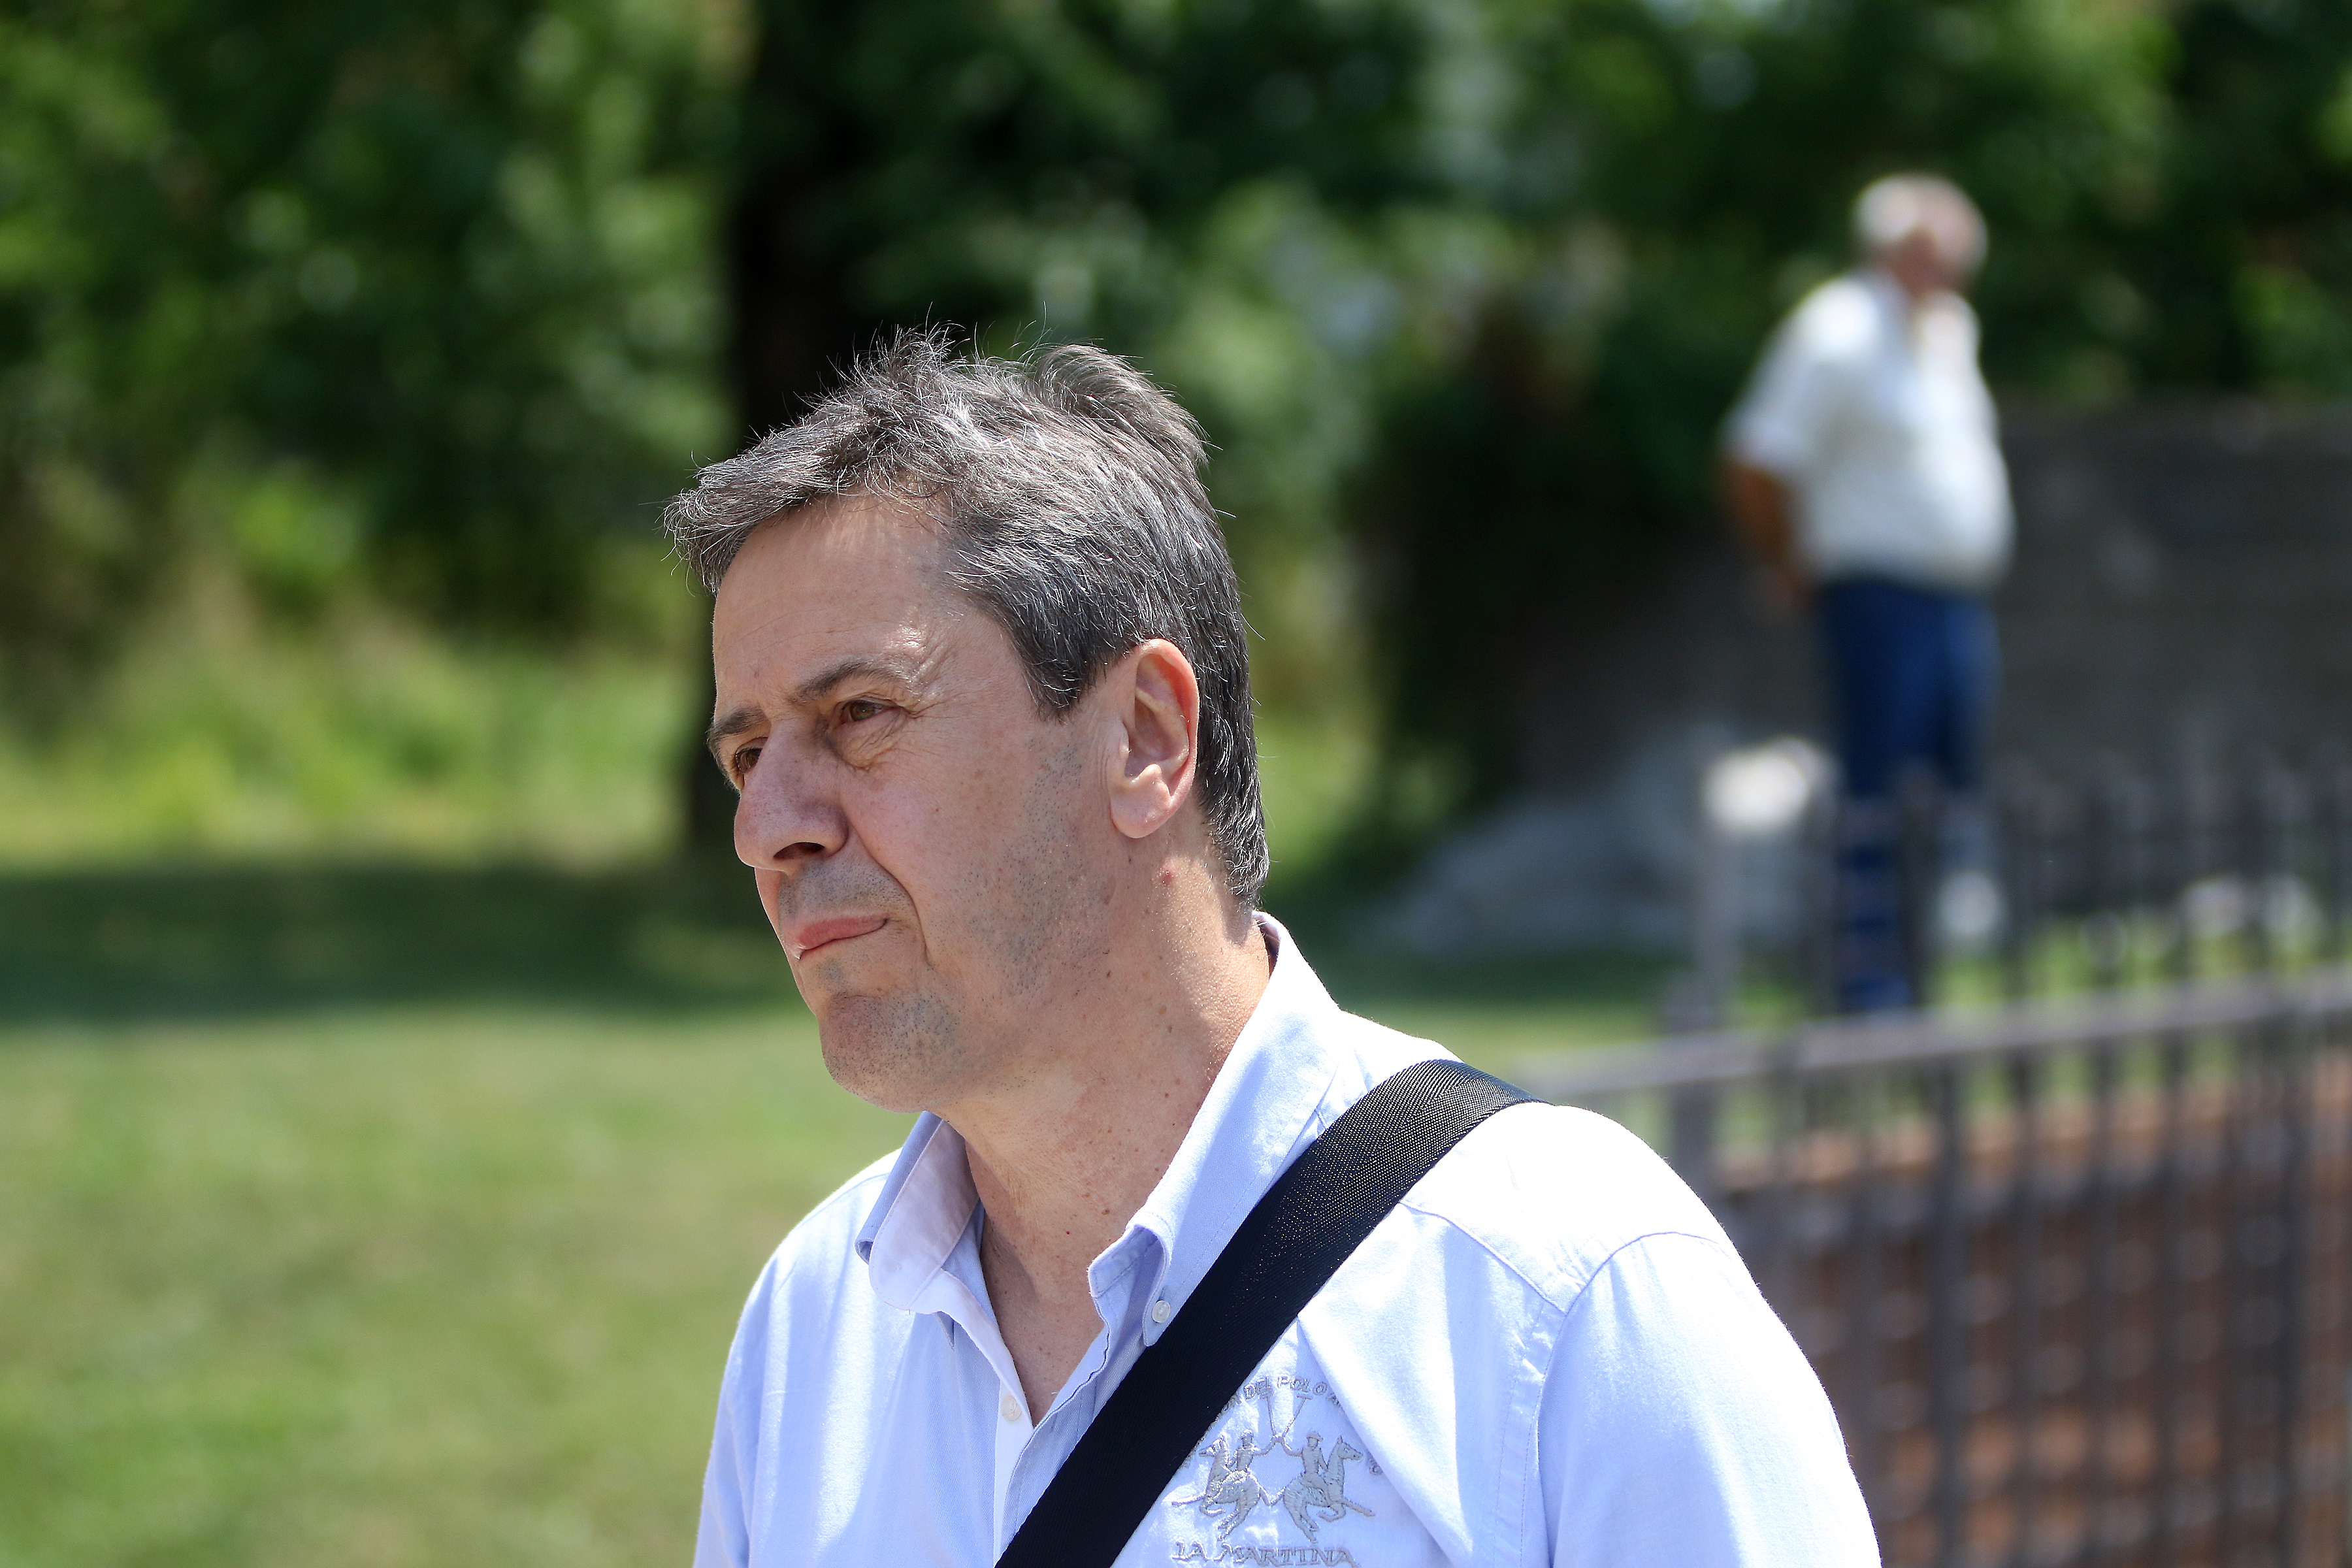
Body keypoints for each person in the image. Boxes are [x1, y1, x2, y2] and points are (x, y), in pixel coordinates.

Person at [666, 331, 1876, 1566]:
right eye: (749, 755)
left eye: (859, 714)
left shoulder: (1565, 1305)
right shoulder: (814, 1327)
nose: (767, 829)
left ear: (1145, 738)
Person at [1720, 173, 2011, 1013]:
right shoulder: (1837, 329)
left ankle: (1915, 972)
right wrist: (1787, 560)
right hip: (1878, 594)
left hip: (1953, 596)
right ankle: (1865, 981)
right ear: (1888, 248)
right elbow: (1756, 458)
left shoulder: (1950, 330)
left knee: (1944, 791)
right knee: (1878, 788)